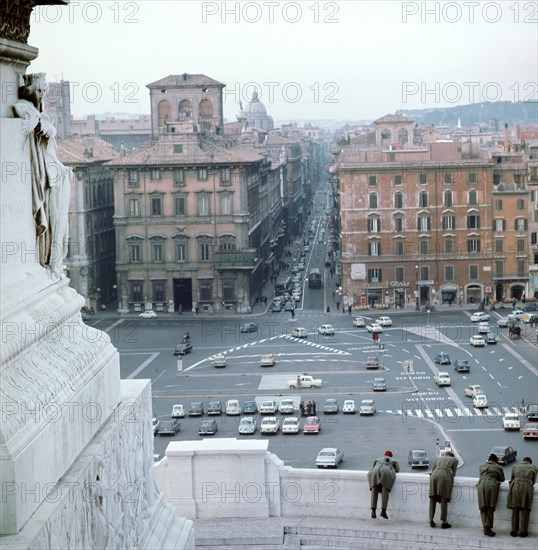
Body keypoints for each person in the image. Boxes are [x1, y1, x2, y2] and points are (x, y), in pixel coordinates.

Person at [13, 73, 71, 277]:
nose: (42, 95)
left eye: (45, 91)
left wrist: (40, 122)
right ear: (29, 91)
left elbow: (50, 130)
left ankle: (54, 262)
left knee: (60, 221)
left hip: (56, 175)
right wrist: (36, 121)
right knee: (55, 220)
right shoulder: (24, 107)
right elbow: (19, 109)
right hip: (48, 179)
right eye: (39, 90)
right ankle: (52, 262)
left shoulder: (41, 115)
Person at [507, 457, 538, 538]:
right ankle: (523, 532)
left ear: (523, 461)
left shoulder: (515, 466)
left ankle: (514, 531)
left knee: (515, 508)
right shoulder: (533, 467)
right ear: (530, 462)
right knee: (526, 509)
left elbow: (512, 478)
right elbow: (534, 481)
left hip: (515, 486)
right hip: (527, 487)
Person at [477, 453, 505, 537]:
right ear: (496, 461)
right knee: (490, 507)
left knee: (483, 507)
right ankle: (488, 528)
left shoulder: (481, 465)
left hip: (481, 485)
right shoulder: (498, 467)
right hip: (492, 485)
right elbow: (502, 479)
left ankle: (486, 527)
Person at [428, 450, 458, 528]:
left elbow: (433, 469)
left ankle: (431, 520)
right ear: (451, 456)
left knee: (433, 498)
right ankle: (444, 522)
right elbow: (454, 473)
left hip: (434, 475)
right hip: (445, 476)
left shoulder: (438, 458)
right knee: (443, 498)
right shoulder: (454, 460)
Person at [367, 451, 399, 519]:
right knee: (385, 489)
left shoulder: (378, 459)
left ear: (384, 455)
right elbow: (397, 469)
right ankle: (383, 511)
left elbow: (373, 466)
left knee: (374, 489)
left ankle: (373, 510)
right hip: (385, 471)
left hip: (374, 471)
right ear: (391, 456)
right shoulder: (394, 460)